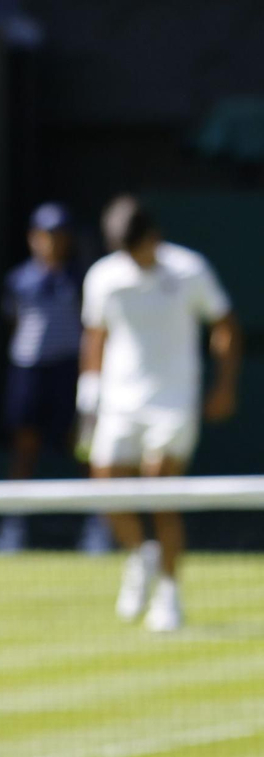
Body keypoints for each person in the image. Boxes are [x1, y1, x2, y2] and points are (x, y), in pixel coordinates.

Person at [80, 195, 242, 631]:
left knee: (161, 490)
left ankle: (169, 595)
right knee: (105, 494)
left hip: (173, 402)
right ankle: (141, 555)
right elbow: (95, 337)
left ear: (154, 237)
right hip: (118, 403)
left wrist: (224, 385)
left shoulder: (190, 270)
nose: (133, 258)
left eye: (139, 247)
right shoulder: (103, 277)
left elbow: (225, 325)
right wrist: (88, 402)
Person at [0, 203, 112, 554]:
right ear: (33, 238)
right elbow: (14, 323)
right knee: (24, 450)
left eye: (59, 236)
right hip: (28, 372)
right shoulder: (18, 281)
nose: (52, 243)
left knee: (84, 449)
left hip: (69, 372)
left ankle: (98, 527)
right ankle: (12, 528)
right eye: (45, 236)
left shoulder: (83, 280)